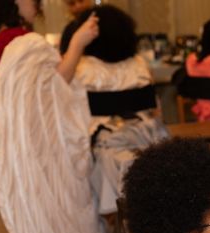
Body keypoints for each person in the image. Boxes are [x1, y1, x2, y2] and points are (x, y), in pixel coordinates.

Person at [0, 0, 116, 233]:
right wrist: (77, 44)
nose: (37, 2)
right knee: (59, 205)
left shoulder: (7, 37)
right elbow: (54, 87)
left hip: (33, 138)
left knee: (43, 205)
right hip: (42, 140)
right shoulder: (18, 38)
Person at [61, 5, 168, 215]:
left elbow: (72, 120)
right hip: (150, 144)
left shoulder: (82, 69)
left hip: (107, 157)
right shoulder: (139, 65)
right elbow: (157, 111)